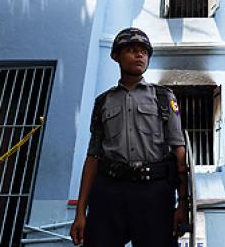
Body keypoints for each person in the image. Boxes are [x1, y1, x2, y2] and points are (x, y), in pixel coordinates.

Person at [70, 27, 188, 247]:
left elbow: (179, 151)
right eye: (132, 50)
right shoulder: (103, 102)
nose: (140, 55)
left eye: (144, 51)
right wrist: (80, 212)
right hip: (109, 192)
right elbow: (93, 157)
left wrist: (183, 204)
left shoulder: (163, 97)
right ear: (116, 56)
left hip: (154, 192)